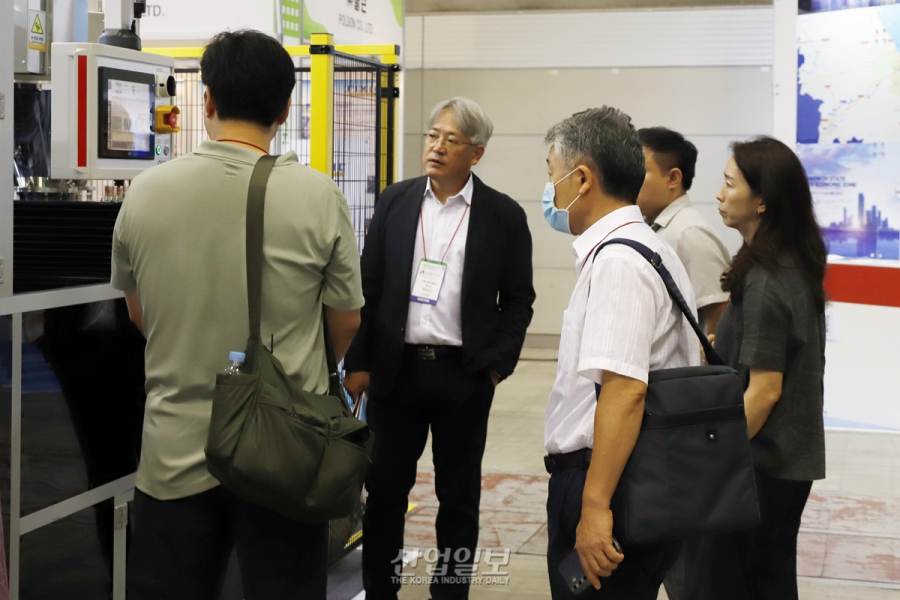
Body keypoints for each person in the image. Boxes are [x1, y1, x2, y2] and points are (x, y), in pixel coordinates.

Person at [110, 30, 364, 599]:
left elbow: (139, 314)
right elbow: (346, 320)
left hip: (173, 451)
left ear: (206, 101)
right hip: (284, 454)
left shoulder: (144, 194)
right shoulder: (316, 195)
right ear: (285, 108)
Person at [343, 97, 535, 600]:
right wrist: (358, 363)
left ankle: (449, 593)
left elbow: (519, 300)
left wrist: (496, 367)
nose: (437, 147)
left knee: (458, 497)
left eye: (451, 140)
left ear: (477, 153)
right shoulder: (396, 201)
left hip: (463, 374)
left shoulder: (504, 215)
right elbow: (370, 283)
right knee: (384, 493)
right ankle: (380, 592)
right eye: (432, 136)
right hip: (396, 371)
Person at [542, 107, 700, 599]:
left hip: (614, 485)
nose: (550, 191)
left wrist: (594, 507)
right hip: (637, 479)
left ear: (582, 178)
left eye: (552, 174)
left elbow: (626, 390)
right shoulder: (645, 246)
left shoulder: (618, 261)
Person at [681, 136, 827, 600]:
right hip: (785, 462)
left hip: (764, 465)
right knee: (770, 576)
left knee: (746, 582)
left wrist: (714, 458)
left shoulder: (767, 279)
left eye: (729, 184)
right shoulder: (785, 262)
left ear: (763, 200)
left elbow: (764, 391)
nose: (720, 195)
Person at [636, 127, 731, 335]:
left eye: (639, 170)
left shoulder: (689, 232)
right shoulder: (654, 227)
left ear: (673, 178)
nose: (629, 179)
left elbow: (719, 314)